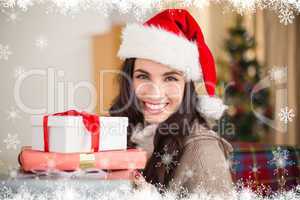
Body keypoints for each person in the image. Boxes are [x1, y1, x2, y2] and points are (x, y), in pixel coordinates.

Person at [109, 8, 235, 198]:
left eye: (170, 78)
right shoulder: (130, 132)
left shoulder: (203, 153)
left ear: (187, 84)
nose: (155, 92)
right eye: (143, 76)